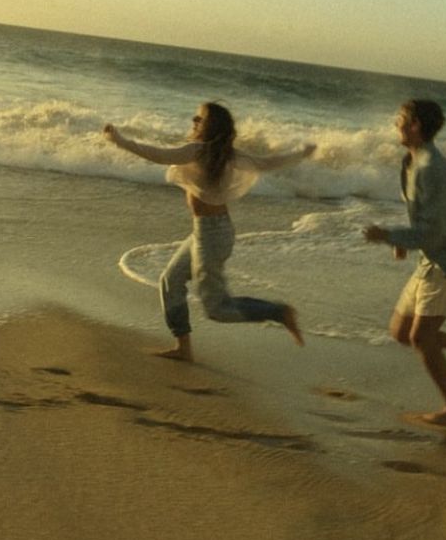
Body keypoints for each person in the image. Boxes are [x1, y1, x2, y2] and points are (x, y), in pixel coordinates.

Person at [104, 101, 316, 363]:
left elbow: (158, 154)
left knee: (217, 308)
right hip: (208, 233)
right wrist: (300, 153)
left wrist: (120, 141)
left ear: (210, 126)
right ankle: (183, 348)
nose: (193, 121)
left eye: (199, 119)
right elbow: (267, 163)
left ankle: (279, 312)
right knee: (170, 282)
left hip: (212, 236)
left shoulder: (199, 151)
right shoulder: (225, 155)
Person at [363, 99, 446, 428]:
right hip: (431, 257)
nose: (396, 123)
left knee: (422, 337)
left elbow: (435, 232)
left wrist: (389, 236)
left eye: (401, 119)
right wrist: (402, 242)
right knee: (401, 331)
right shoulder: (412, 161)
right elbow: (425, 219)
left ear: (416, 126)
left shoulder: (431, 168)